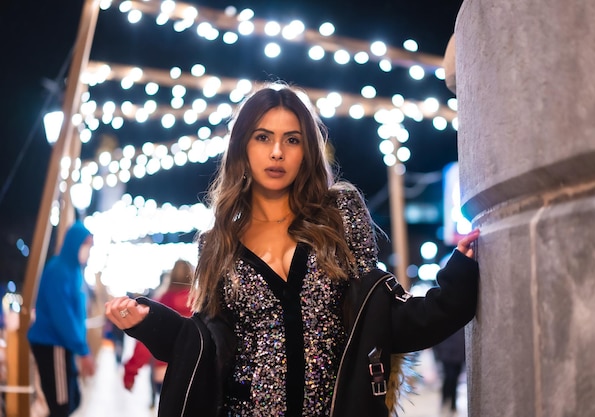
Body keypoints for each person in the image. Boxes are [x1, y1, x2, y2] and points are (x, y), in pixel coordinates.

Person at [105, 83, 480, 417]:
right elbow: (206, 347)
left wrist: (458, 276)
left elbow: (383, 317)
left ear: (306, 150)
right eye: (263, 137)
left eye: (292, 139)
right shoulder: (217, 242)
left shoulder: (341, 214)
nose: (277, 152)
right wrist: (147, 322)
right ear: (242, 148)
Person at [28, 221, 96, 417]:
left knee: (71, 400)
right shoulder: (59, 270)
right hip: (52, 343)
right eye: (86, 245)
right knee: (62, 404)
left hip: (61, 344)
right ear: (75, 244)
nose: (88, 251)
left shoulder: (74, 271)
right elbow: (63, 316)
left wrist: (81, 347)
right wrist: (83, 351)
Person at [122, 259, 194, 407]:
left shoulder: (160, 301)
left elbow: (146, 340)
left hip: (163, 373)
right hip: (194, 373)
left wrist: (131, 372)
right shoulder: (200, 302)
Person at [433, 327, 466, 417]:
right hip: (447, 354)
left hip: (458, 355)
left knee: (454, 379)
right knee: (449, 377)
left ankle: (452, 405)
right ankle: (445, 401)